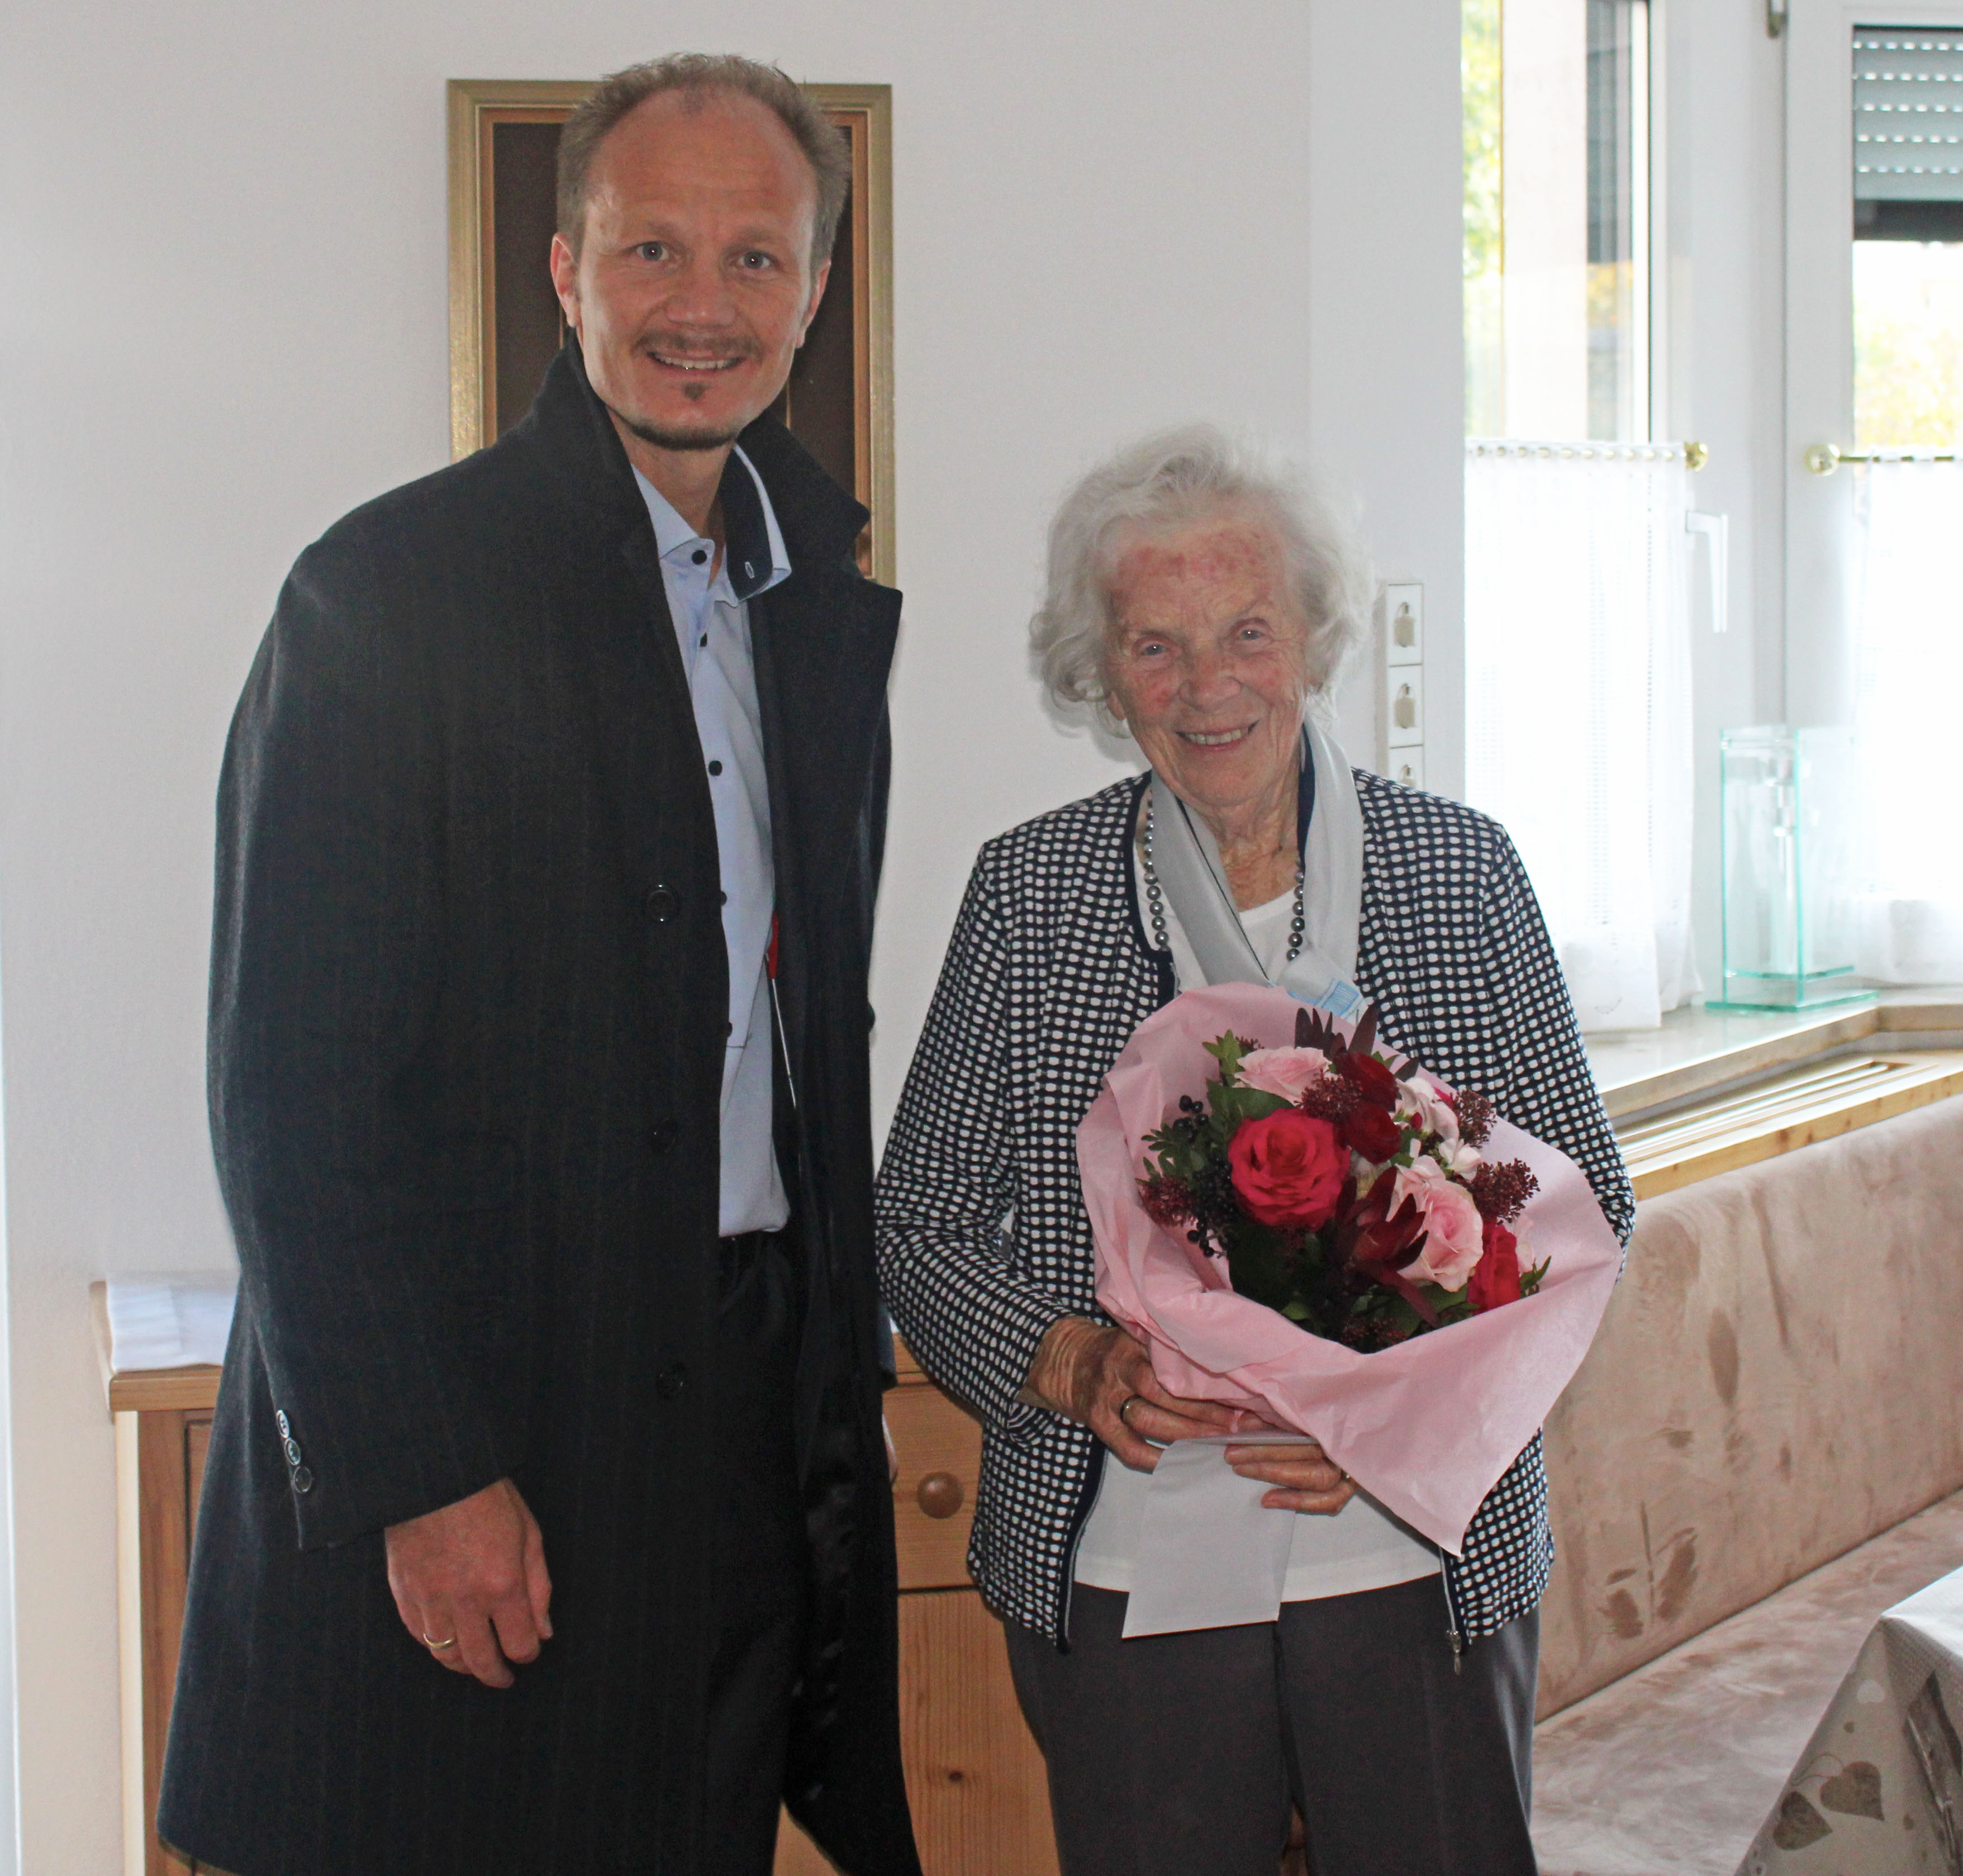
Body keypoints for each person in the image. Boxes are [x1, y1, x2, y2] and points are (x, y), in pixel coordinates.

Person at [159, 54, 922, 1876]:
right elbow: (287, 1092)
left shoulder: (811, 607)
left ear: (812, 297)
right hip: (491, 1412)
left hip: (737, 1416)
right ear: (564, 272)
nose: (700, 305)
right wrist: (422, 1470)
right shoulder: (389, 601)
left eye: (755, 259)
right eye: (651, 247)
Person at [874, 426, 1633, 1876]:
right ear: (1099, 675)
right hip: (1122, 1544)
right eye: (1154, 647)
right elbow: (914, 1219)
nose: (1205, 685)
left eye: (1245, 633)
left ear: (1314, 640)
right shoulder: (1031, 896)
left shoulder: (1457, 874)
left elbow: (1582, 1213)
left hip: (1409, 1545)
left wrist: (1392, 1423)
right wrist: (1066, 1361)